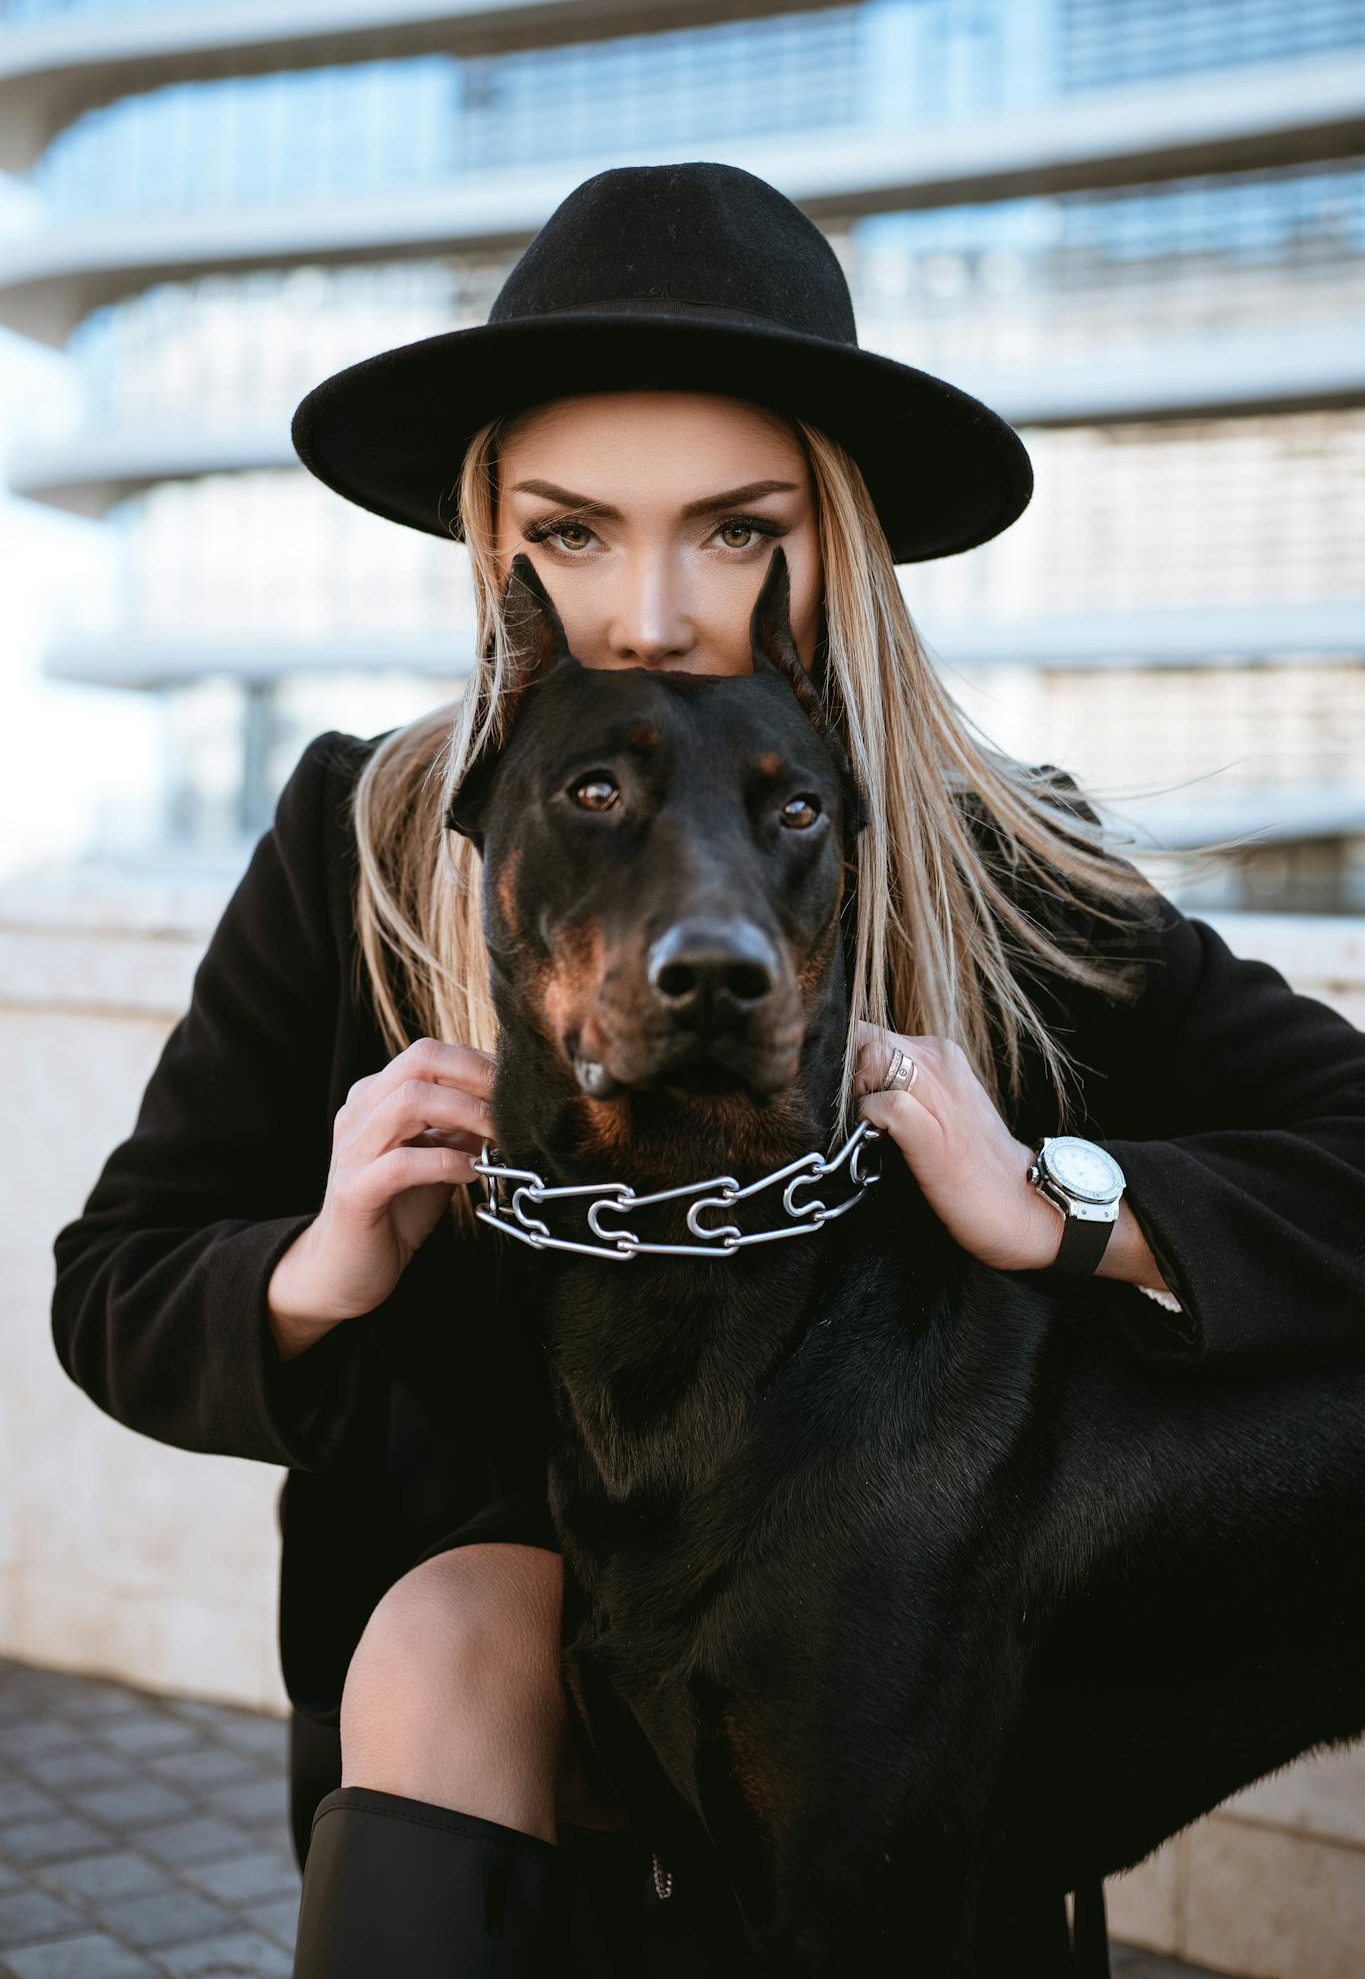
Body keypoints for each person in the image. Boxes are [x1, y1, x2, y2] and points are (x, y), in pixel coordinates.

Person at [50, 163, 1365, 1978]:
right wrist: (314, 1260)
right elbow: (109, 1289)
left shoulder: (998, 867)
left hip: (873, 1661)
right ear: (490, 536)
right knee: (454, 1634)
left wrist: (1063, 1198)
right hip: (499, 1718)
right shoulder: (363, 836)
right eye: (574, 532)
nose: (653, 611)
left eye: (733, 529)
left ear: (830, 537)